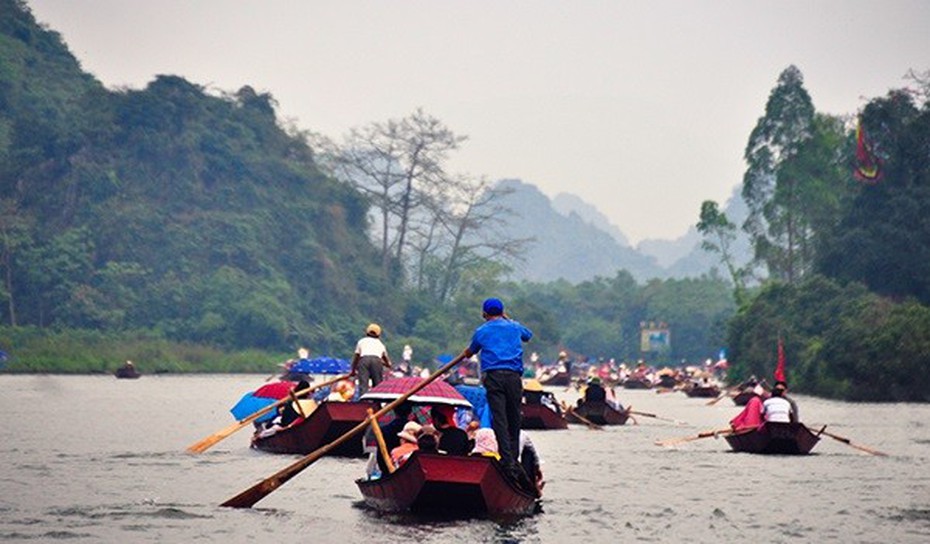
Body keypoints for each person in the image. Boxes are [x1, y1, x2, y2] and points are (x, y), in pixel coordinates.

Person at [447, 297, 533, 487]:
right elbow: (528, 335)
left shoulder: (482, 331)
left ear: (484, 314)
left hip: (493, 378)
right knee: (514, 417)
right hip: (513, 378)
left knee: (500, 419)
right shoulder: (514, 326)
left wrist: (467, 351)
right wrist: (507, 319)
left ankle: (507, 461)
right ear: (502, 312)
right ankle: (512, 458)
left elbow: (470, 352)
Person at [350, 323, 393, 396]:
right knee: (377, 384)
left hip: (364, 360)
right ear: (378, 334)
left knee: (363, 384)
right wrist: (387, 364)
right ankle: (377, 403)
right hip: (377, 361)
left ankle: (363, 402)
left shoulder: (362, 341)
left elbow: (356, 358)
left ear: (367, 332)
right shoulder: (380, 344)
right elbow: (387, 362)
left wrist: (353, 371)